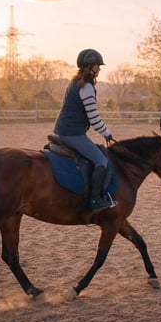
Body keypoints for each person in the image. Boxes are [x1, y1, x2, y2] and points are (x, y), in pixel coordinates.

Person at [53, 48, 117, 216]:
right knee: (101, 160)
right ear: (90, 66)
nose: (100, 69)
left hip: (62, 130)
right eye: (98, 65)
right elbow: (94, 118)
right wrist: (107, 133)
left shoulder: (75, 82)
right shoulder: (86, 87)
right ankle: (95, 200)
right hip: (72, 133)